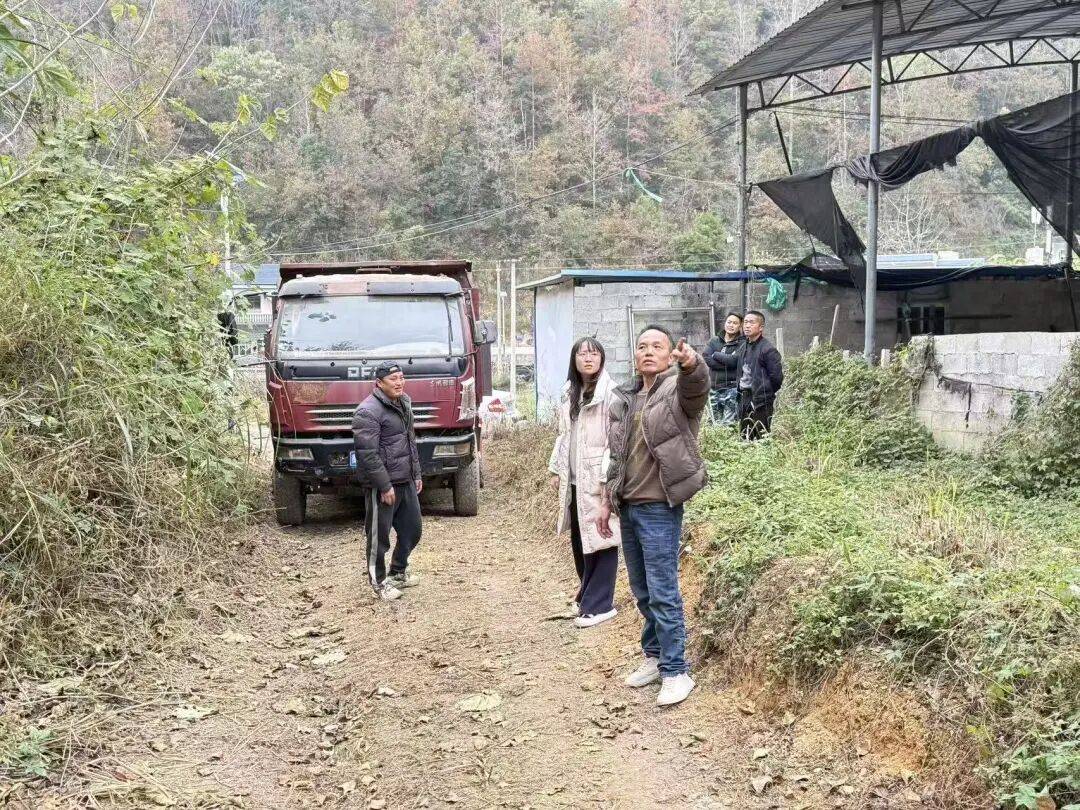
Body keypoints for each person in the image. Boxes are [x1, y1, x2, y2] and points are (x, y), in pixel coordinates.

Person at [597, 325, 710, 707]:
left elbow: (697, 386)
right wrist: (606, 500)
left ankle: (677, 671)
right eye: (642, 345)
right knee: (643, 590)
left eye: (657, 346)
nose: (648, 351)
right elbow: (616, 455)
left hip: (660, 506)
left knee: (663, 591)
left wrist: (692, 364)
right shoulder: (626, 397)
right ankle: (655, 656)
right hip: (629, 504)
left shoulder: (676, 391)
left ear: (669, 354)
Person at [548, 337, 621, 628]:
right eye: (582, 354)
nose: (588, 358)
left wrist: (606, 479)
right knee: (582, 540)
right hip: (575, 478)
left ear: (602, 359)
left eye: (593, 353)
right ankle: (586, 596)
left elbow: (614, 443)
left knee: (603, 537)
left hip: (598, 478)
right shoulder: (571, 393)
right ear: (574, 360)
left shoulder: (610, 394)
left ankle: (600, 605)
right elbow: (563, 435)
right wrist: (557, 469)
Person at [351, 362, 423, 601]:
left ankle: (398, 572)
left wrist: (416, 474)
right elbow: (367, 454)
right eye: (393, 379)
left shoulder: (403, 403)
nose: (399, 382)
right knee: (378, 539)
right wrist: (384, 485)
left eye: (401, 377)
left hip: (405, 479)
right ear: (379, 383)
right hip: (383, 486)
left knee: (412, 530)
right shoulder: (367, 411)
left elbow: (410, 441)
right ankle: (379, 583)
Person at [735, 310, 784, 441]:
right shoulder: (744, 346)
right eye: (745, 322)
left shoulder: (768, 349)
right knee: (745, 435)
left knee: (761, 436)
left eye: (751, 322)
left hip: (761, 401)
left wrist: (764, 391)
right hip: (744, 397)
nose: (747, 325)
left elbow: (777, 378)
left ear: (761, 327)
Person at [703, 312, 745, 425]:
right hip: (714, 388)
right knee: (713, 423)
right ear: (725, 323)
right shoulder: (714, 341)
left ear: (740, 326)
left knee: (729, 424)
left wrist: (716, 355)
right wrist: (727, 362)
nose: (731, 325)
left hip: (732, 388)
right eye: (729, 322)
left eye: (735, 323)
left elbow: (734, 361)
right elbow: (706, 358)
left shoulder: (743, 343)